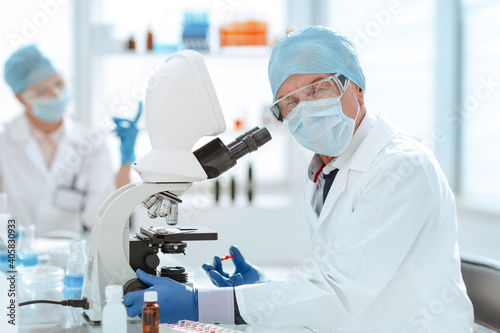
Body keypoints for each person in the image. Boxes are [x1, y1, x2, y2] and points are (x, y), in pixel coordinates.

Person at [123, 26, 474, 332]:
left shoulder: (400, 169)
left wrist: (200, 303)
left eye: (318, 89)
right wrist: (263, 287)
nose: (304, 107)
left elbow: (339, 298)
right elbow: (334, 282)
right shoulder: (322, 170)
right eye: (289, 101)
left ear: (358, 90)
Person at [0, 44, 138, 237]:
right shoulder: (4, 141)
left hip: (70, 258)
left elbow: (100, 217)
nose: (56, 94)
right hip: (13, 256)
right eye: (41, 90)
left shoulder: (91, 143)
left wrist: (126, 163)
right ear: (20, 98)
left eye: (59, 83)